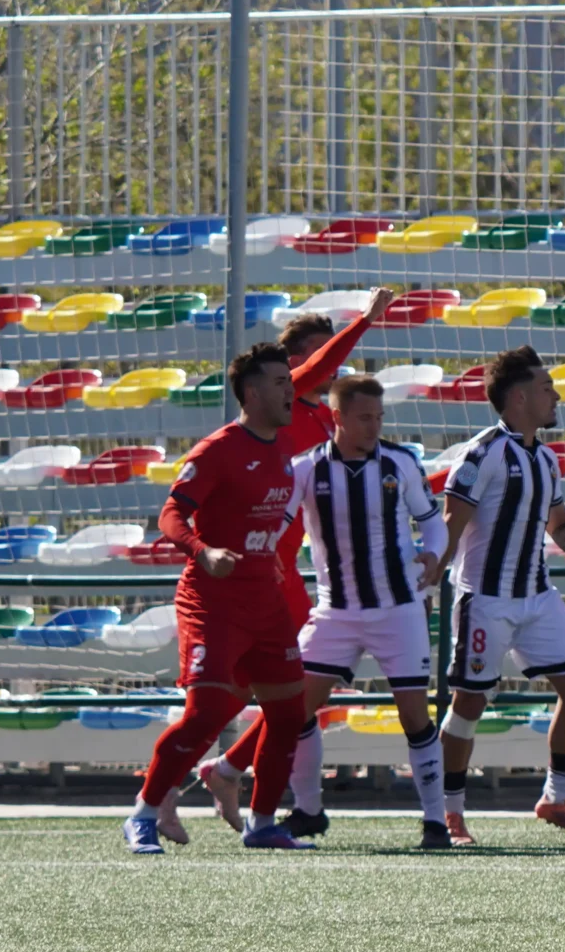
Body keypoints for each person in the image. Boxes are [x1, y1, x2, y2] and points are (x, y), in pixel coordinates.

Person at [188, 287, 397, 836]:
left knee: (294, 694)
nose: (328, 364)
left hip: (280, 570)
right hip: (254, 571)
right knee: (266, 694)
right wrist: (366, 321)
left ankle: (247, 780)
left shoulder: (329, 420)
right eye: (309, 357)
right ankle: (180, 789)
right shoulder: (297, 398)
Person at [122, 344, 314, 853]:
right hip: (213, 602)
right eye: (278, 382)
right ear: (252, 394)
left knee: (289, 713)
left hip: (264, 601)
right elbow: (170, 516)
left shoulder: (283, 446)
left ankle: (263, 822)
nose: (289, 389)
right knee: (207, 713)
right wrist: (202, 551)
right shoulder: (217, 449)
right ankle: (143, 813)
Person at [438, 346, 565, 844]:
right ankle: (451, 813)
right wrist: (429, 570)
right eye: (545, 386)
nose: (555, 394)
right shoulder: (482, 453)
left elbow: (559, 524)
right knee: (469, 704)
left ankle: (557, 797)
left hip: (536, 596)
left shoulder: (546, 459)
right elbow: (452, 522)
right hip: (485, 599)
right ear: (518, 397)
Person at [285, 375, 452, 848]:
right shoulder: (306, 469)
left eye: (379, 417)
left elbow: (430, 521)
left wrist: (434, 556)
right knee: (295, 709)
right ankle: (308, 810)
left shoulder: (400, 461)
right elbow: (278, 524)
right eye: (364, 417)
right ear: (337, 417)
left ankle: (435, 821)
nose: (374, 425)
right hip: (335, 611)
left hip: (397, 609)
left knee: (415, 717)